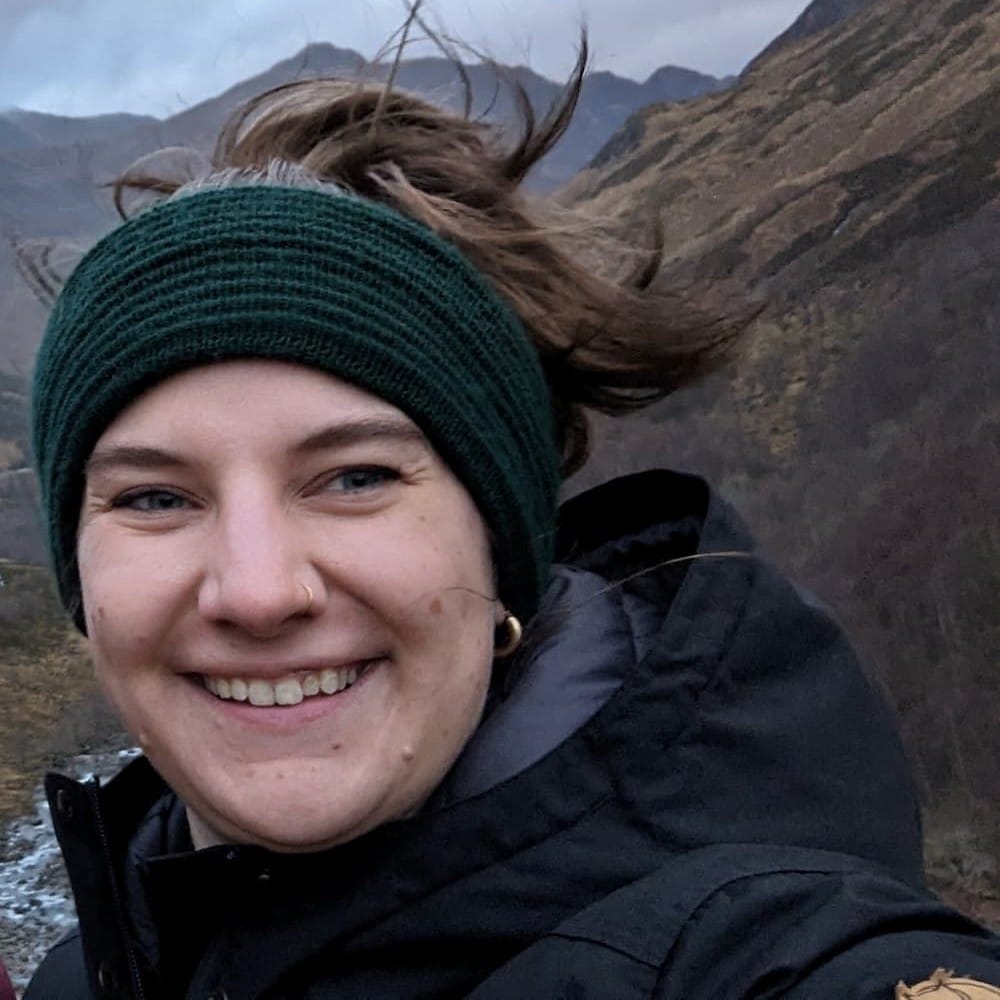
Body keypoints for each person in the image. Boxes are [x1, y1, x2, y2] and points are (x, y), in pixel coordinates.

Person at [21, 30, 1000, 1000]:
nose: (258, 589)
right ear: (79, 573)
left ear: (502, 545)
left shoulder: (763, 952)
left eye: (354, 477)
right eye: (154, 496)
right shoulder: (94, 970)